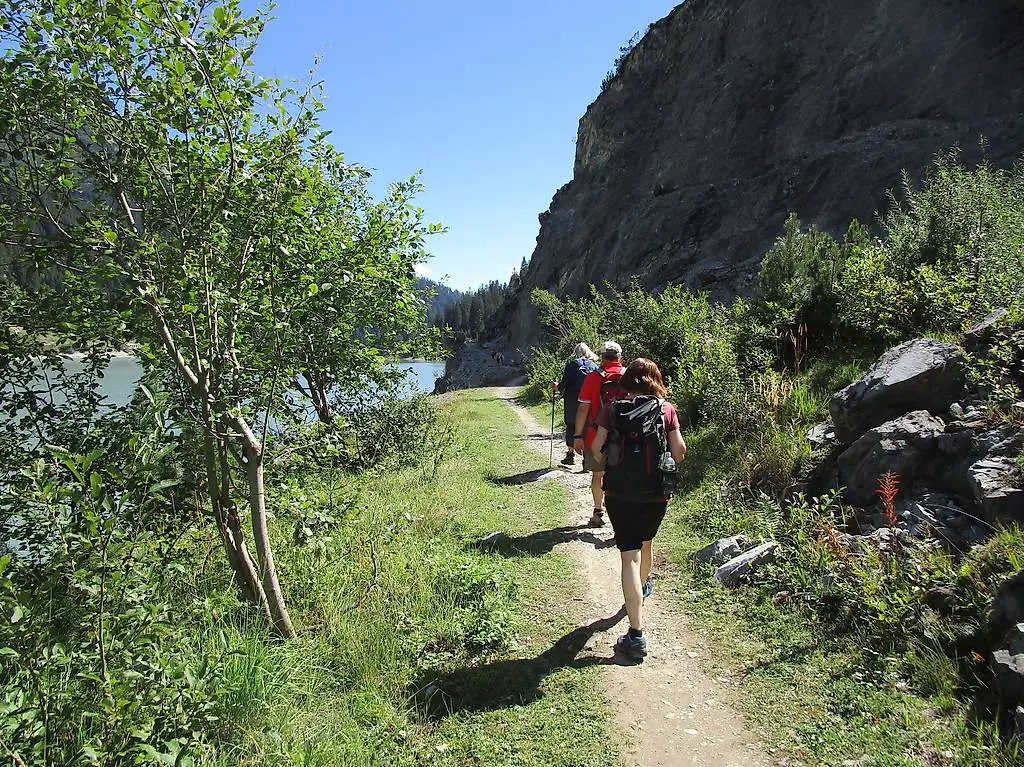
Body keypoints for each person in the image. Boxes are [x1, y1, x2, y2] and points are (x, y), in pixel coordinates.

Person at [590, 358, 686, 660]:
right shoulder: (666, 410)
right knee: (647, 543)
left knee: (628, 555)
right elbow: (679, 452)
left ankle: (636, 634)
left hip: (619, 493)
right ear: (656, 380)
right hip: (656, 494)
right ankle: (641, 589)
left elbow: (596, 450)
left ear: (627, 382)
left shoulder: (612, 409)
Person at [573, 340, 627, 527]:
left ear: (602, 357)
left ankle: (598, 511)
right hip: (624, 437)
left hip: (595, 436)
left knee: (598, 474)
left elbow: (583, 409)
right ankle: (620, 517)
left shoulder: (593, 377)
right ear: (619, 356)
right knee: (621, 475)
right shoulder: (629, 376)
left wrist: (577, 436)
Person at [553, 342, 599, 466]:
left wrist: (556, 386)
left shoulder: (572, 365)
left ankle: (570, 454)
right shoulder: (594, 366)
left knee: (571, 424)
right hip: (589, 401)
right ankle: (586, 458)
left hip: (572, 401)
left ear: (575, 352)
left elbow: (563, 385)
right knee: (587, 426)